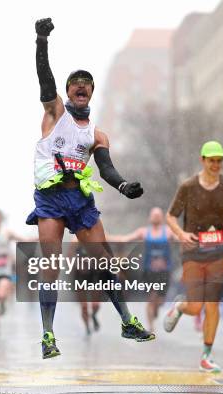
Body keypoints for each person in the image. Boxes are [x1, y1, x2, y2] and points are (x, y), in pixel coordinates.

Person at [27, 18, 154, 359]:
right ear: (68, 92)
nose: (81, 86)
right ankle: (48, 335)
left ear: (91, 93)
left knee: (107, 263)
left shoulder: (98, 135)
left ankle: (127, 321)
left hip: (80, 201)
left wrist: (123, 185)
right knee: (50, 264)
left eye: (87, 84)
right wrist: (42, 40)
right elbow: (44, 79)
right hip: (51, 199)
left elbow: (107, 168)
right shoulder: (54, 112)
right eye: (75, 84)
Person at [164, 141, 223, 373]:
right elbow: (170, 217)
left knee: (212, 304)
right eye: (211, 160)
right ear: (202, 160)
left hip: (218, 252)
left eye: (219, 160)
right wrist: (181, 234)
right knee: (196, 306)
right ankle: (181, 307)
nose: (215, 165)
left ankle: (206, 355)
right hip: (192, 252)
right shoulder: (188, 186)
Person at [113, 207, 176, 332]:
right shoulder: (144, 232)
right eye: (154, 215)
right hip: (149, 271)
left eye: (158, 215)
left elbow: (182, 238)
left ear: (162, 218)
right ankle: (151, 327)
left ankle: (156, 308)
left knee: (159, 300)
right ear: (150, 218)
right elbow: (125, 239)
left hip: (164, 271)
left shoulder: (168, 232)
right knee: (151, 298)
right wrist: (104, 236)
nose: (156, 217)